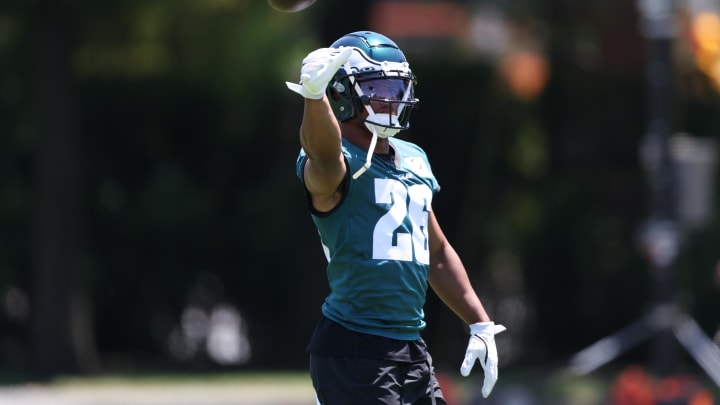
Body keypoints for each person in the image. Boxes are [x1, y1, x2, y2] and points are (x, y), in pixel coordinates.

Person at [286, 31, 506, 405]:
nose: (390, 98)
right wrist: (313, 96)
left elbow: (435, 252)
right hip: (354, 347)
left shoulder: (414, 157)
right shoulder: (337, 162)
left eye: (396, 87)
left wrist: (479, 321)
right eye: (376, 87)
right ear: (341, 93)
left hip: (410, 345)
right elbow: (323, 157)